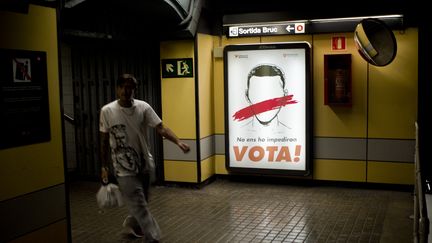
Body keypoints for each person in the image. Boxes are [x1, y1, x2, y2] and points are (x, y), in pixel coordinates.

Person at [99, 73, 190, 242]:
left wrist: (178, 142)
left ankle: (131, 224)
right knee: (140, 204)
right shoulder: (107, 111)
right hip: (123, 170)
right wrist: (104, 166)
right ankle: (153, 237)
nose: (127, 91)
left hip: (145, 164)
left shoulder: (143, 107)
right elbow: (104, 140)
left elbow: (161, 128)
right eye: (123, 87)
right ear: (117, 89)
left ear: (135, 89)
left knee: (142, 203)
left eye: (130, 87)